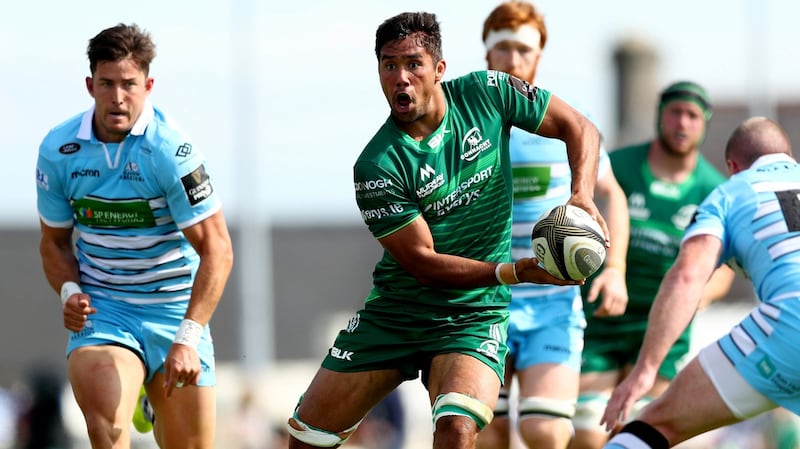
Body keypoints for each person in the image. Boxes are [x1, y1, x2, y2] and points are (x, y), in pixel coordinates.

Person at [286, 11, 608, 449]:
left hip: (472, 315)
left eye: (413, 63)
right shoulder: (377, 165)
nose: (401, 77)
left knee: (458, 428)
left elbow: (580, 126)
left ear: (439, 69)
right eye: (389, 64)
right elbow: (424, 264)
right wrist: (515, 272)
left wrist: (582, 195)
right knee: (307, 437)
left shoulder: (487, 92)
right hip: (398, 314)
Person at [35, 23, 234, 449]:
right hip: (107, 312)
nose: (118, 97)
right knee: (106, 424)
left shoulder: (171, 151)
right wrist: (69, 290)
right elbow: (53, 243)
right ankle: (130, 384)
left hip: (174, 312)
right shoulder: (59, 150)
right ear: (90, 85)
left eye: (129, 84)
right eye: (107, 84)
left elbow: (218, 248)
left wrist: (188, 336)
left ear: (148, 85)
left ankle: (148, 388)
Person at [475, 3, 629, 449]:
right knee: (486, 433)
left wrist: (615, 267)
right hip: (486, 301)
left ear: (539, 54)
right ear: (488, 55)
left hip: (552, 304)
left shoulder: (564, 124)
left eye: (524, 48)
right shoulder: (465, 125)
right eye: (502, 47)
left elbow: (612, 193)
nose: (513, 58)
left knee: (545, 431)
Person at [598, 116, 800, 448]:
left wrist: (646, 369)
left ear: (734, 166)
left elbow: (688, 276)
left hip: (789, 324)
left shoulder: (731, 192)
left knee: (654, 425)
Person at [571, 81, 736, 449]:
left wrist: (693, 298)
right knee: (586, 430)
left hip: (663, 329)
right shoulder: (622, 166)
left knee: (638, 434)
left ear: (705, 123)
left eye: (692, 116)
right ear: (659, 115)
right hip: (606, 315)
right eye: (675, 112)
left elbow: (725, 268)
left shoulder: (714, 189)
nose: (682, 122)